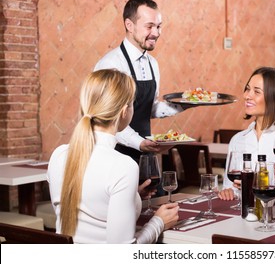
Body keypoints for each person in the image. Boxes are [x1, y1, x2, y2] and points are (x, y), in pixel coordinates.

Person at [47, 69, 179, 243]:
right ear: (125, 111)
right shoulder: (122, 166)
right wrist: (158, 222)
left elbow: (91, 206)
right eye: (132, 104)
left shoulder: (58, 155)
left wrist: (133, 194)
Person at [94, 0, 189, 160]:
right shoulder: (111, 64)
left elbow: (150, 109)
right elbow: (107, 119)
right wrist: (139, 142)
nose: (156, 33)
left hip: (145, 154)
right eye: (149, 26)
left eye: (159, 26)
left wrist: (185, 104)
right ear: (129, 25)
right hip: (114, 156)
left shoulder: (152, 63)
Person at [218, 67, 275, 203]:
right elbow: (229, 187)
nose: (247, 96)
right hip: (241, 215)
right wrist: (228, 192)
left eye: (257, 91)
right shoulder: (237, 140)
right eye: (247, 89)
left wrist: (252, 187)